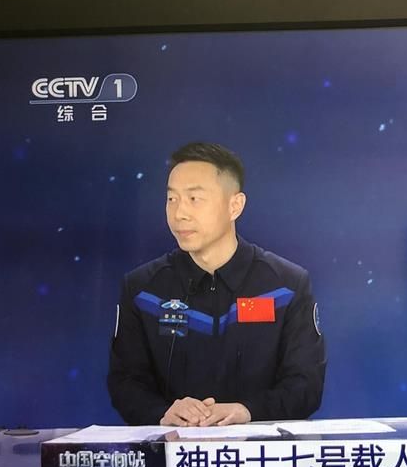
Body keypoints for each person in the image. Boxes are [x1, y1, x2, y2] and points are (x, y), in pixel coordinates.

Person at [108, 142, 325, 426]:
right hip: (172, 449)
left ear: (235, 206)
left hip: (260, 450)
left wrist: (248, 411)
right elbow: (125, 382)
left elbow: (306, 384)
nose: (179, 213)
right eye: (172, 199)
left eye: (194, 199)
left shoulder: (286, 286)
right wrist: (161, 413)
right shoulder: (143, 290)